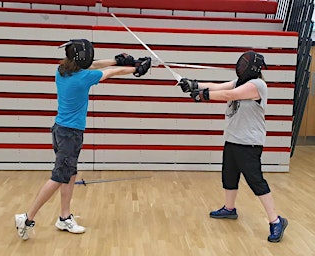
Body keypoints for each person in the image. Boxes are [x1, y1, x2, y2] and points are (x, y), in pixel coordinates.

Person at [15, 39, 152, 240]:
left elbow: (95, 65)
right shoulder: (84, 78)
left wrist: (116, 60)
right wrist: (135, 68)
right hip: (70, 134)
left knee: (69, 174)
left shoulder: (61, 70)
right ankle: (27, 218)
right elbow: (108, 73)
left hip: (60, 130)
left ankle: (64, 217)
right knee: (58, 177)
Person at [178, 51, 287, 243]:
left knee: (256, 181)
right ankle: (229, 209)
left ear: (253, 67)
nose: (240, 67)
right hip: (233, 139)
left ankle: (276, 221)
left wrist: (202, 96)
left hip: (249, 143)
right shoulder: (241, 82)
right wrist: (194, 84)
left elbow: (229, 95)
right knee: (229, 176)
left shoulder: (258, 85)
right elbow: (218, 87)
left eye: (244, 64)